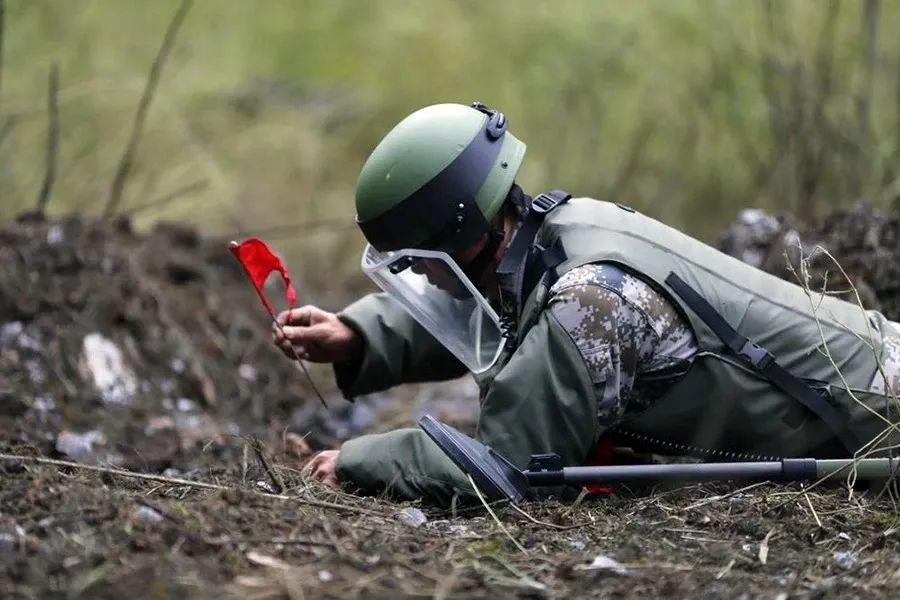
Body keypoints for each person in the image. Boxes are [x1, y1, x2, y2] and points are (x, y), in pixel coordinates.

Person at [272, 102, 900, 505]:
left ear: (464, 238)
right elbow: (495, 314)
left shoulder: (591, 301)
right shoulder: (555, 230)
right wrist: (359, 335)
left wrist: (360, 459)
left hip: (879, 422)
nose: (424, 284)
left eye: (421, 268)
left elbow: (505, 464)